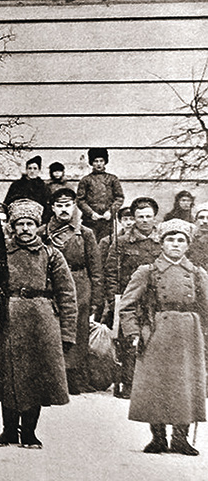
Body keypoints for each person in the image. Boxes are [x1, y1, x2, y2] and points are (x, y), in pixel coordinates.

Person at [0, 199, 77, 449]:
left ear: (37, 226)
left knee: (35, 378)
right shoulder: (2, 254)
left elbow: (67, 295)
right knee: (9, 376)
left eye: (30, 224)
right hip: (8, 318)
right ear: (13, 227)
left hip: (41, 322)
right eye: (20, 224)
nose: (25, 229)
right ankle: (8, 431)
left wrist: (67, 333)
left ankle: (28, 431)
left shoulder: (51, 255)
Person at [118, 219, 207, 456]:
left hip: (189, 334)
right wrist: (134, 333)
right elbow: (127, 306)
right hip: (157, 332)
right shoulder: (147, 271)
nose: (175, 245)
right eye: (170, 239)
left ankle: (181, 438)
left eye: (181, 240)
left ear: (188, 245)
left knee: (185, 385)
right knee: (156, 385)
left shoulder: (197, 273)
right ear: (161, 243)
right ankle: (157, 438)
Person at [40, 188, 103, 394]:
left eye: (68, 205)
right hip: (51, 285)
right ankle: (52, 376)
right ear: (52, 208)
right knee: (52, 328)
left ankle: (74, 377)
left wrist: (96, 298)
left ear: (74, 206)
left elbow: (95, 269)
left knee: (78, 331)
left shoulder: (85, 234)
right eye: (59, 205)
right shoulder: (43, 233)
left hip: (79, 286)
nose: (64, 209)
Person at [102, 196, 162, 399]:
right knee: (128, 342)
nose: (144, 220)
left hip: (155, 301)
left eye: (148, 216)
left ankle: (152, 385)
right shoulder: (122, 241)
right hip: (129, 299)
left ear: (155, 217)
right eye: (140, 216)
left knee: (153, 339)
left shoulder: (163, 239)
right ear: (134, 218)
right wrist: (113, 300)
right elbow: (110, 273)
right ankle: (127, 384)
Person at [76, 148, 124, 242]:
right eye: (95, 161)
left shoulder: (112, 179)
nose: (98, 164)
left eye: (101, 161)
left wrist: (110, 212)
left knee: (106, 245)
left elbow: (119, 198)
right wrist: (91, 213)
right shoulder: (86, 180)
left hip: (107, 222)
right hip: (90, 221)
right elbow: (80, 200)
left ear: (105, 162)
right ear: (91, 163)